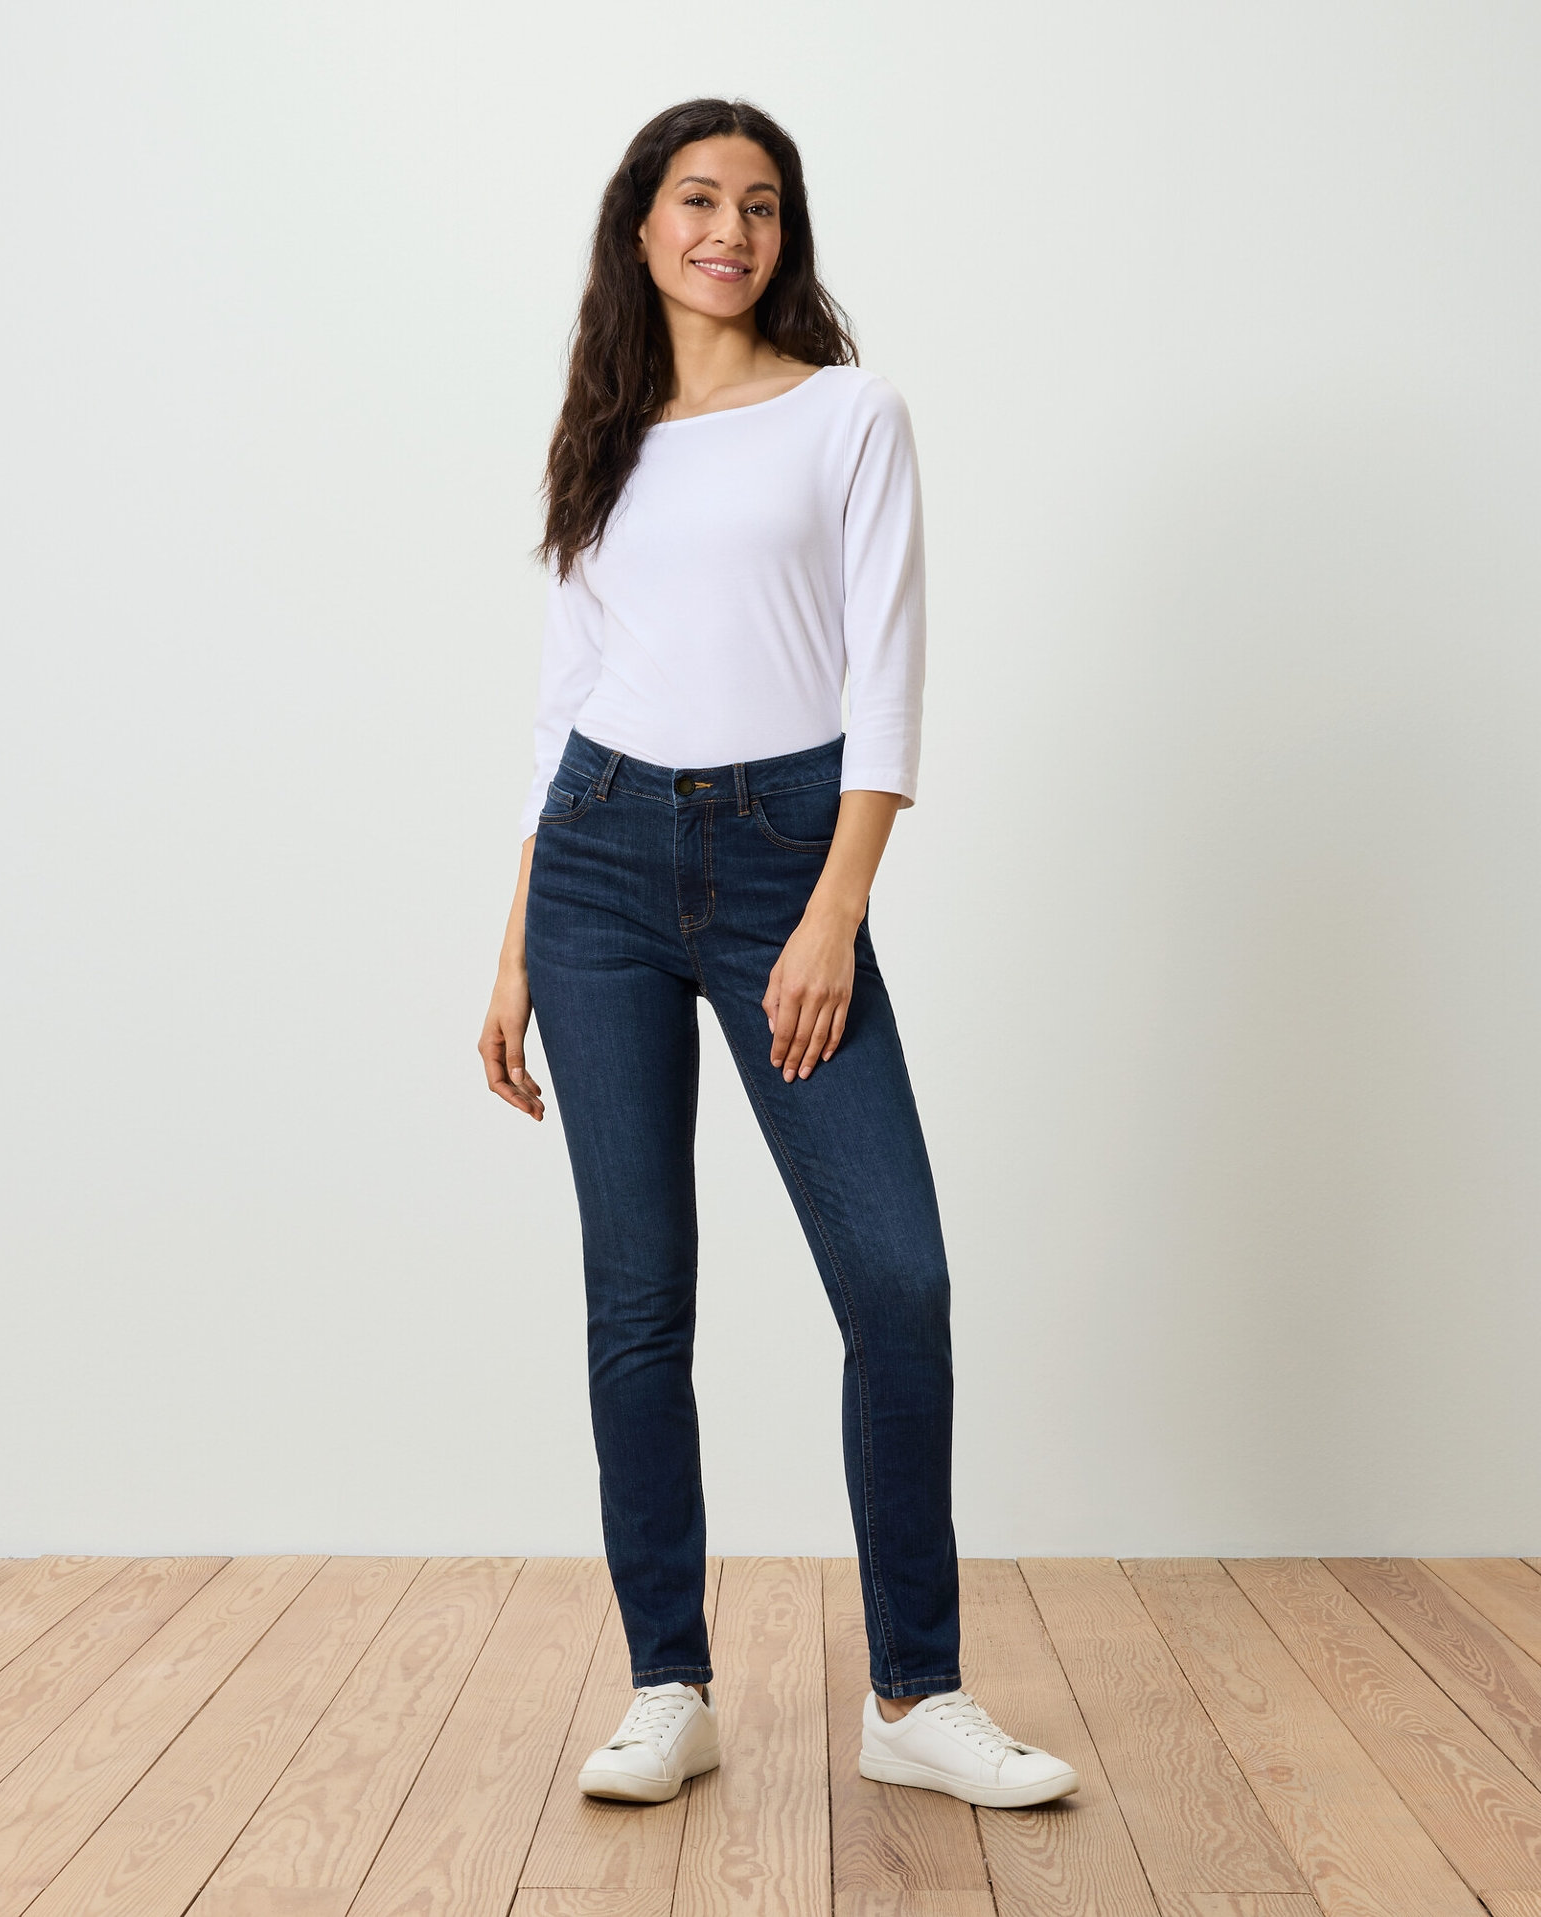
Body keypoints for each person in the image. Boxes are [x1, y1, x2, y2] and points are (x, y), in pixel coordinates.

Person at [477, 96, 1078, 1812]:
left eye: (757, 204)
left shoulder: (847, 415)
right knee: (637, 1295)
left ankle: (913, 1690)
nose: (727, 230)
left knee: (897, 1279)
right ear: (640, 224)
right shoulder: (601, 436)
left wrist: (830, 909)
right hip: (592, 864)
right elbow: (558, 713)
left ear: (784, 235)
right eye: (696, 199)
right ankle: (669, 1681)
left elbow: (882, 685)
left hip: (778, 865)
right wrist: (514, 939)